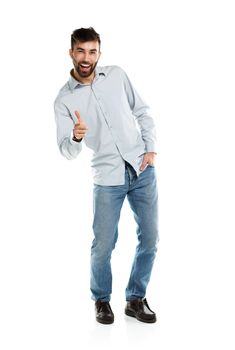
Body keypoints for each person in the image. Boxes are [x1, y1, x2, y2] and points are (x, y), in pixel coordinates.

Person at [54, 27, 159, 324]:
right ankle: (101, 300)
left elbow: (143, 111)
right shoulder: (64, 100)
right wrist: (75, 137)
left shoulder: (117, 76)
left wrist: (150, 149)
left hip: (141, 169)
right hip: (107, 178)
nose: (86, 58)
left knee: (150, 238)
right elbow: (66, 151)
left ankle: (135, 299)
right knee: (103, 244)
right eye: (81, 51)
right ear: (71, 52)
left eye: (92, 51)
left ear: (99, 52)